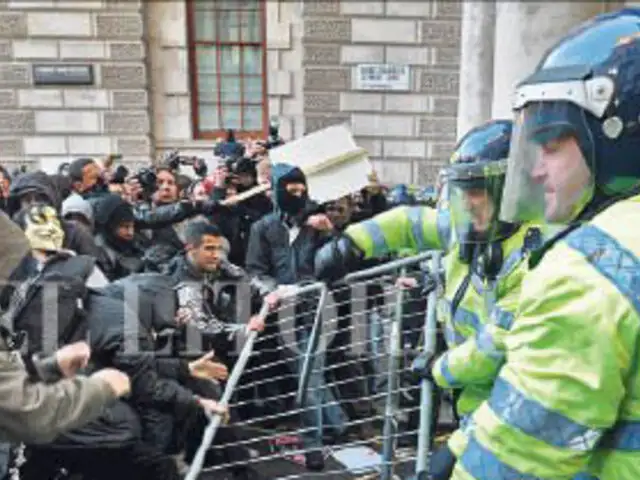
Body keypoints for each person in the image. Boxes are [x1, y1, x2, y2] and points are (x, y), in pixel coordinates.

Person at [449, 9, 640, 480]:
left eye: (552, 146)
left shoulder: (590, 268)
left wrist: (439, 373)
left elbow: (517, 459)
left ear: (615, 137)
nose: (535, 171)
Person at [314, 120, 543, 479]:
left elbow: (495, 345)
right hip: (471, 397)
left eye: (478, 190)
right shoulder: (466, 225)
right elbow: (411, 222)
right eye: (461, 190)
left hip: (506, 405)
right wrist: (352, 243)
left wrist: (440, 367)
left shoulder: (534, 257)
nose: (467, 202)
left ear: (513, 190)